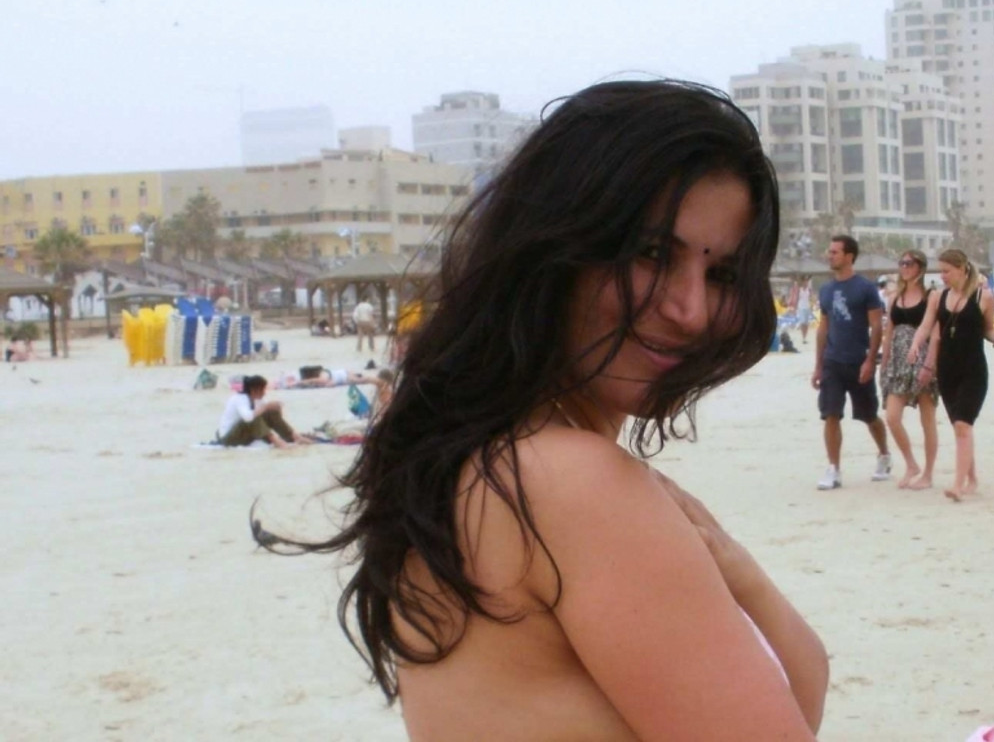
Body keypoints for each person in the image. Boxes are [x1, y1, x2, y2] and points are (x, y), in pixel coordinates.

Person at [256, 81, 828, 739]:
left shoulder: (470, 457)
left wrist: (734, 567)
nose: (691, 310)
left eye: (721, 274)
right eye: (650, 254)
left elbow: (802, 687)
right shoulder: (570, 481)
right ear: (556, 249)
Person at [910, 249, 994, 502]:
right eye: (941, 271)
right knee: (960, 427)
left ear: (962, 269)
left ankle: (958, 486)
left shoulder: (983, 297)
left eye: (946, 271)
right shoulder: (938, 297)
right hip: (947, 371)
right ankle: (972, 479)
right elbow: (926, 326)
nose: (942, 276)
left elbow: (989, 330)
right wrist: (916, 344)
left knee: (963, 425)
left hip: (973, 370)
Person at [812, 234, 891, 490]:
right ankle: (833, 469)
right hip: (832, 361)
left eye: (835, 252)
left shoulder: (865, 288)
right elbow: (823, 327)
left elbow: (876, 326)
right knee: (830, 414)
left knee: (869, 415)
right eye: (830, 251)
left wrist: (870, 360)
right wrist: (818, 365)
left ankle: (884, 454)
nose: (830, 255)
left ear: (849, 256)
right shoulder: (826, 290)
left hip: (858, 360)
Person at [879, 249, 938, 490]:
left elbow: (935, 331)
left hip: (922, 358)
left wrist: (930, 363)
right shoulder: (895, 297)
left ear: (920, 268)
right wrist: (884, 362)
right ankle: (911, 463)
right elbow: (889, 332)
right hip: (898, 361)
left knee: (927, 420)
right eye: (901, 263)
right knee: (892, 417)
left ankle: (929, 473)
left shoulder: (931, 296)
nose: (904, 267)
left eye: (909, 264)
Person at [217, 375, 311, 448]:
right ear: (254, 390)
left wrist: (275, 408)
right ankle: (277, 442)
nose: (264, 393)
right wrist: (266, 407)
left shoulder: (257, 399)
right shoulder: (240, 399)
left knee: (271, 412)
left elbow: (271, 414)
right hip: (229, 439)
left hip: (243, 435)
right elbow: (248, 417)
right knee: (254, 418)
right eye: (262, 390)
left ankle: (293, 437)